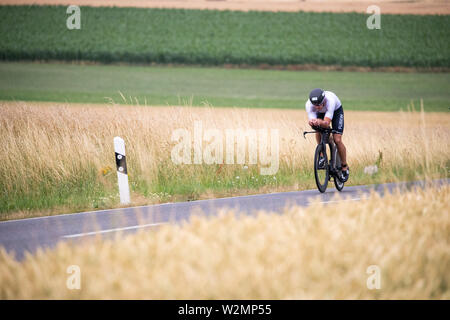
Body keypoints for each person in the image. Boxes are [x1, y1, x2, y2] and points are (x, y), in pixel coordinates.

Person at [305, 88, 349, 182]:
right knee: (318, 129)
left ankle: (344, 166)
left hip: (336, 111)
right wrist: (313, 123)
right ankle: (321, 155)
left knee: (337, 139)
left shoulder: (330, 101)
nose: (317, 107)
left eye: (319, 104)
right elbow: (313, 121)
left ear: (323, 100)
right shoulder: (309, 105)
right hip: (321, 115)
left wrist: (319, 122)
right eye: (315, 105)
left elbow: (326, 123)